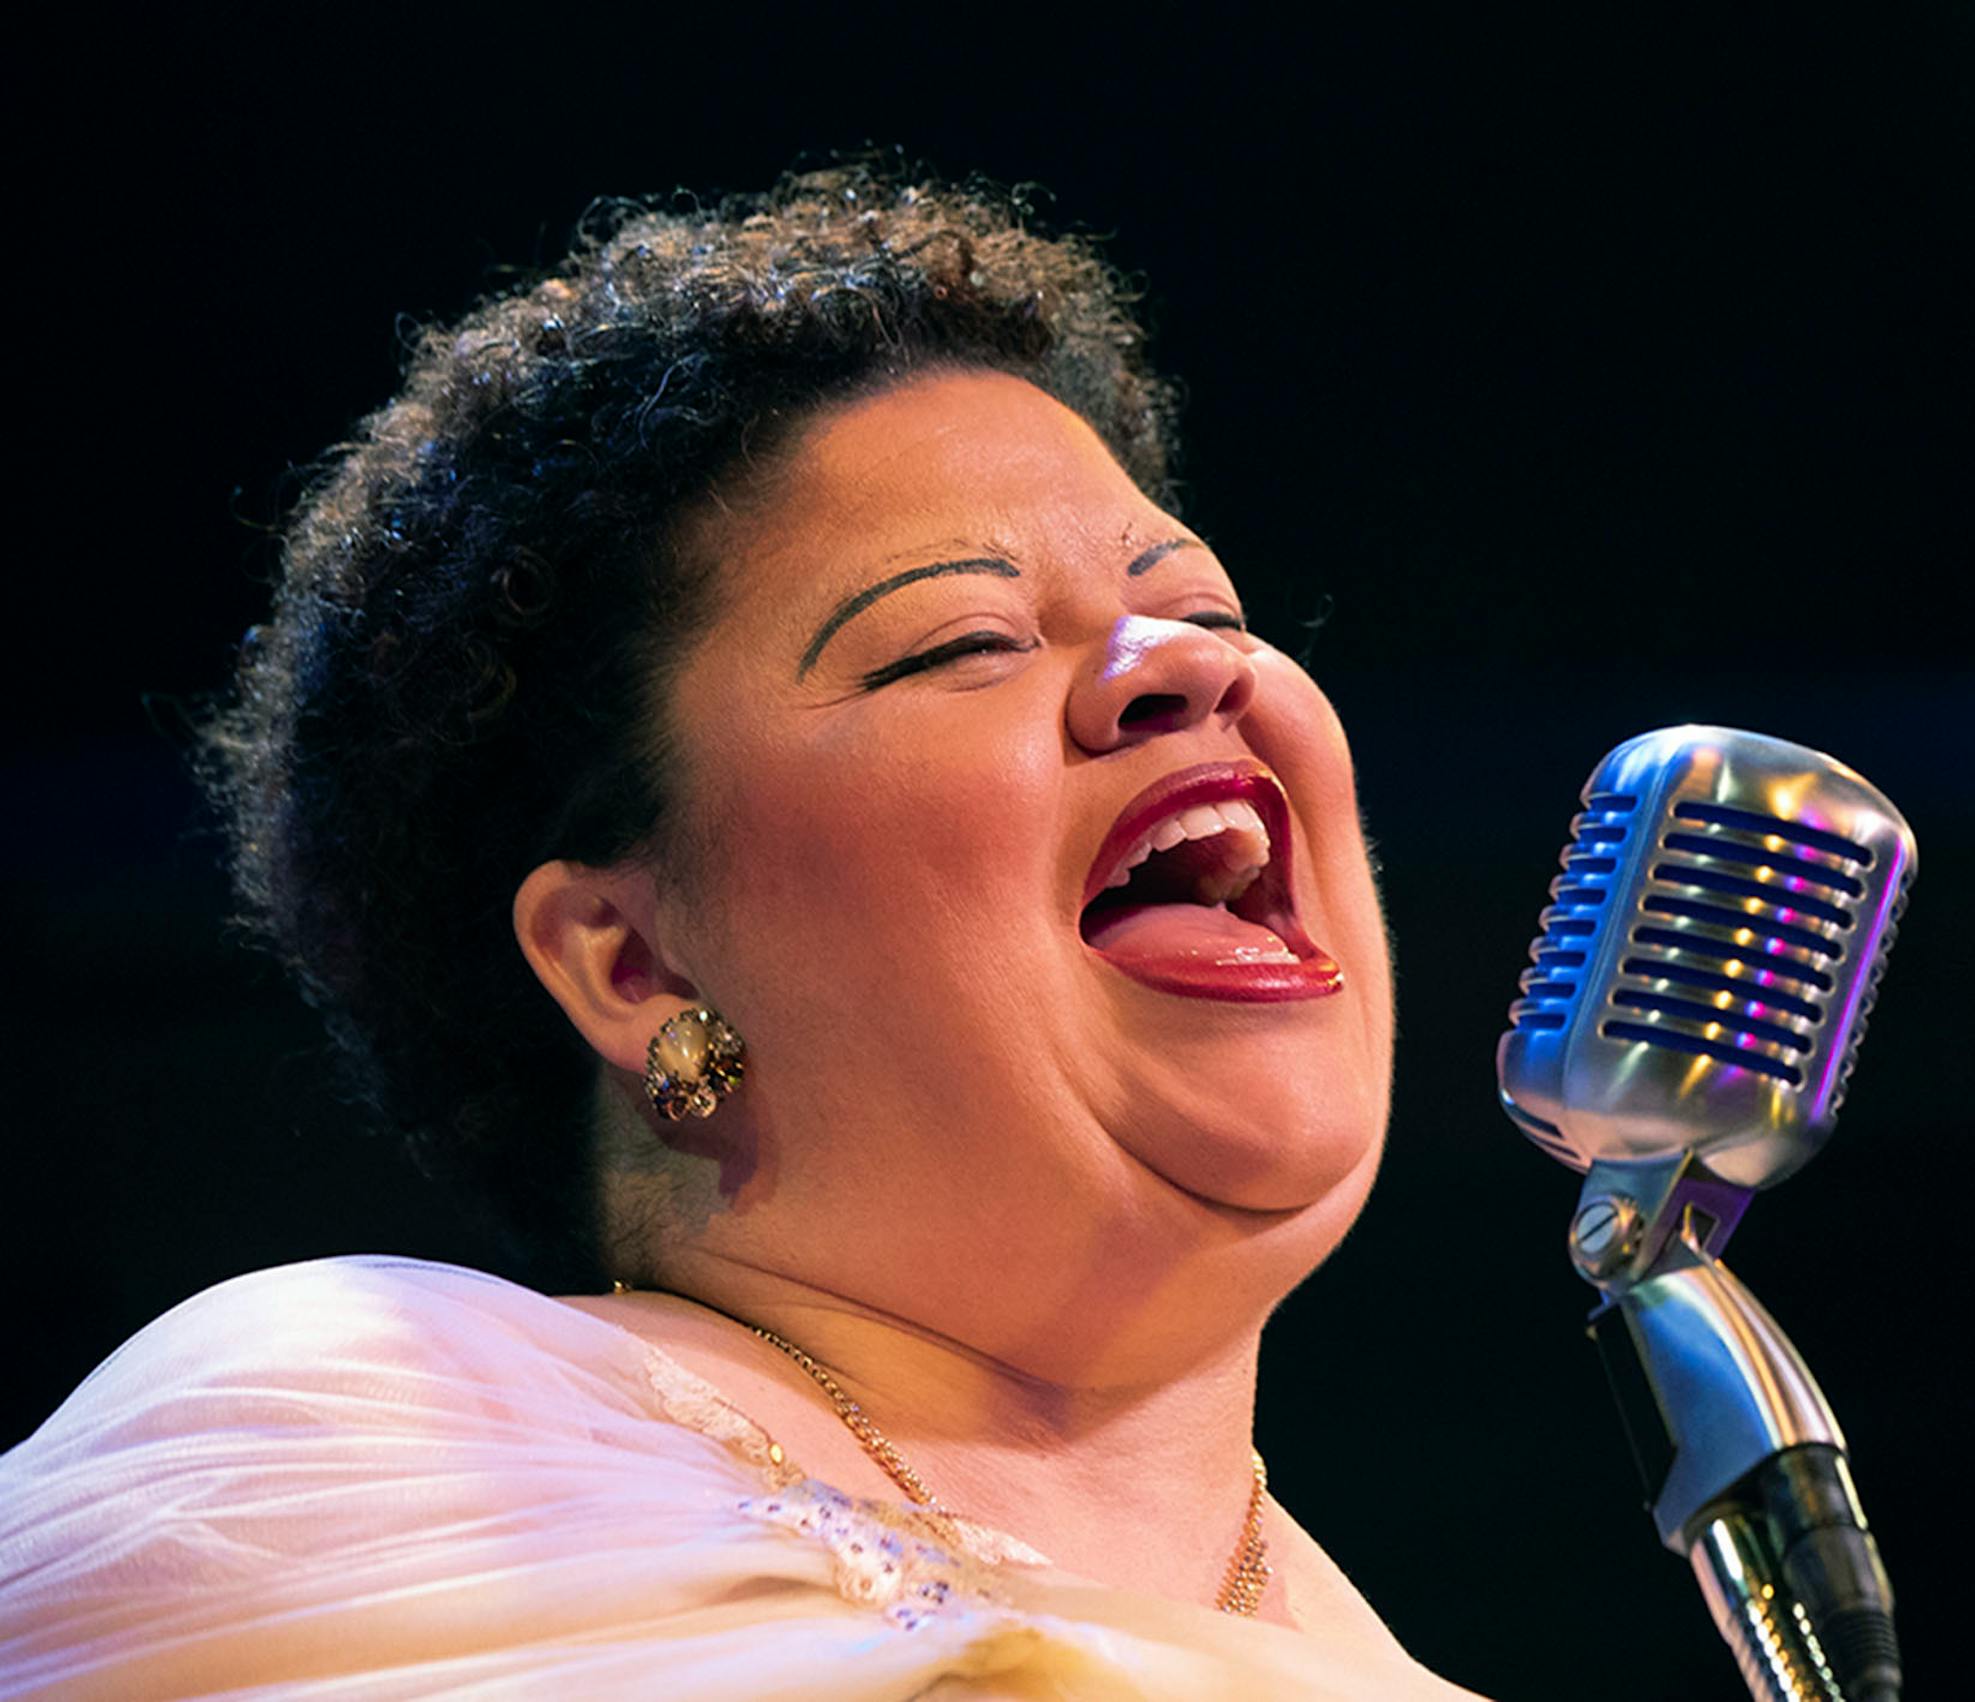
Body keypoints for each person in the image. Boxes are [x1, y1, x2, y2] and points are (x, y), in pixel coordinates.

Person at [0, 162, 1479, 1698]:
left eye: (1211, 615)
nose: (1180, 671)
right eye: (960, 641)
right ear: (632, 963)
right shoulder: (343, 1460)